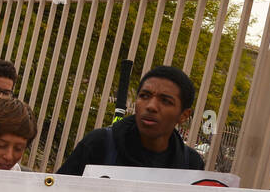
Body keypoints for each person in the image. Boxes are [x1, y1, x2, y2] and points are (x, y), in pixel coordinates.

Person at [56, 65, 205, 175]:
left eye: (165, 101)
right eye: (144, 96)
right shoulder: (99, 144)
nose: (151, 106)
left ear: (184, 115)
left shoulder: (191, 164)